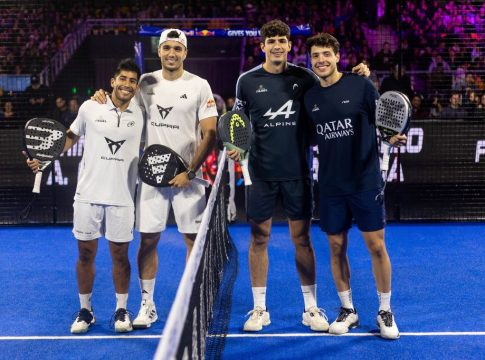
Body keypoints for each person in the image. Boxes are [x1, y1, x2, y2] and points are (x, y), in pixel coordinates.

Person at [227, 19, 369, 332]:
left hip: (298, 174)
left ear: (290, 45)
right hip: (260, 174)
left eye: (282, 40)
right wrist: (235, 144)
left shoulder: (304, 77)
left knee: (302, 239)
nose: (277, 45)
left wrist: (355, 78)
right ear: (262, 45)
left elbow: (333, 90)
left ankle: (311, 308)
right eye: (271, 40)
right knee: (259, 238)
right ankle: (259, 309)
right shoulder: (246, 81)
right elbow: (236, 121)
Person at [92, 29, 218, 329]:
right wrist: (99, 96)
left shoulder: (200, 85)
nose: (172, 53)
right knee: (148, 240)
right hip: (151, 176)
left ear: (185, 53)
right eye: (166, 48)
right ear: (158, 51)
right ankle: (147, 305)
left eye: (177, 48)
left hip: (188, 178)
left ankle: (192, 303)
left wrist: (189, 171)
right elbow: (119, 104)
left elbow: (210, 132)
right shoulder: (145, 82)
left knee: (192, 242)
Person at [25, 58, 144, 333]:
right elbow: (69, 137)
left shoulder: (141, 113)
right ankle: (86, 310)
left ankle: (121, 310)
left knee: (120, 255)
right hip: (88, 194)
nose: (126, 84)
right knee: (86, 253)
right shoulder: (90, 107)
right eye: (122, 79)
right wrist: (43, 159)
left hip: (123, 196)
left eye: (132, 81)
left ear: (137, 87)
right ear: (113, 81)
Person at [303, 33, 407, 340]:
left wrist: (391, 137)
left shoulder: (361, 85)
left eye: (326, 54)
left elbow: (384, 123)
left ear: (337, 56)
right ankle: (348, 309)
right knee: (336, 247)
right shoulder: (309, 97)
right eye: (315, 56)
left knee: (376, 246)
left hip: (364, 182)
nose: (321, 60)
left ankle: (385, 310)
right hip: (332, 186)